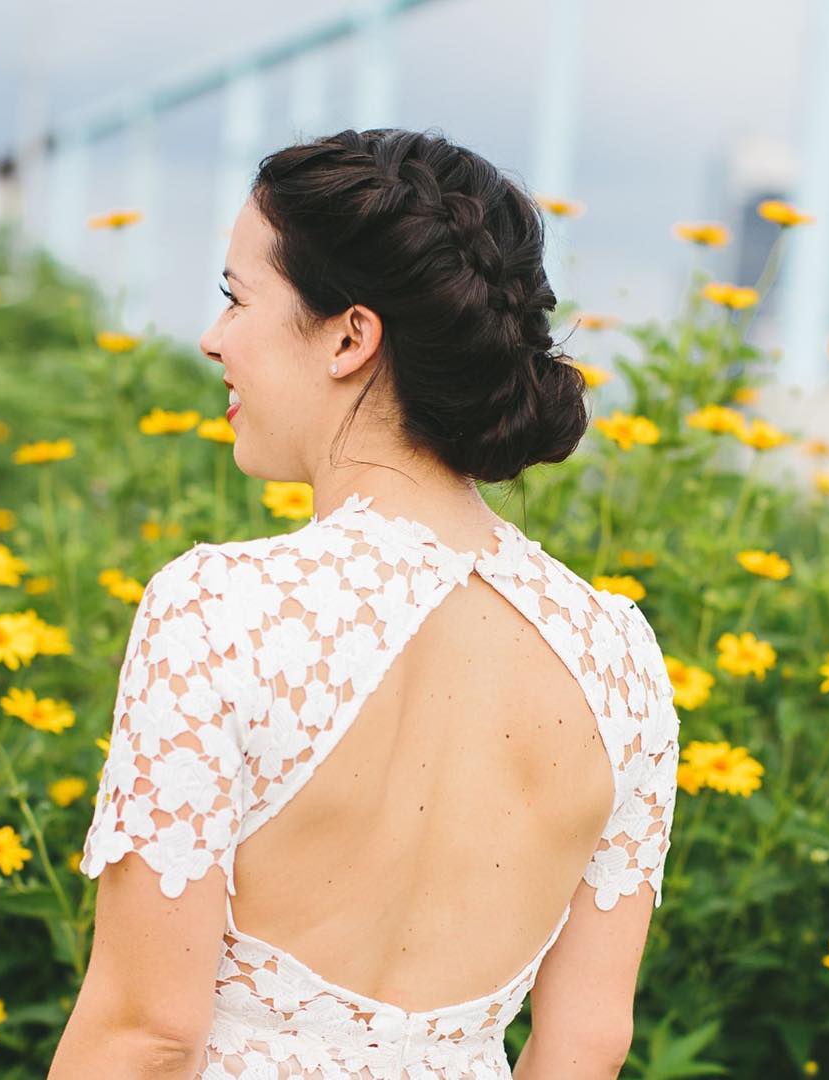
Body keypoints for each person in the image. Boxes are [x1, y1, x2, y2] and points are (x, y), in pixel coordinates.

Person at [51, 127, 681, 1080]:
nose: (211, 337)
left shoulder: (222, 612)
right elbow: (588, 1044)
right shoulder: (619, 659)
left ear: (351, 336)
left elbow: (148, 1032)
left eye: (236, 296)